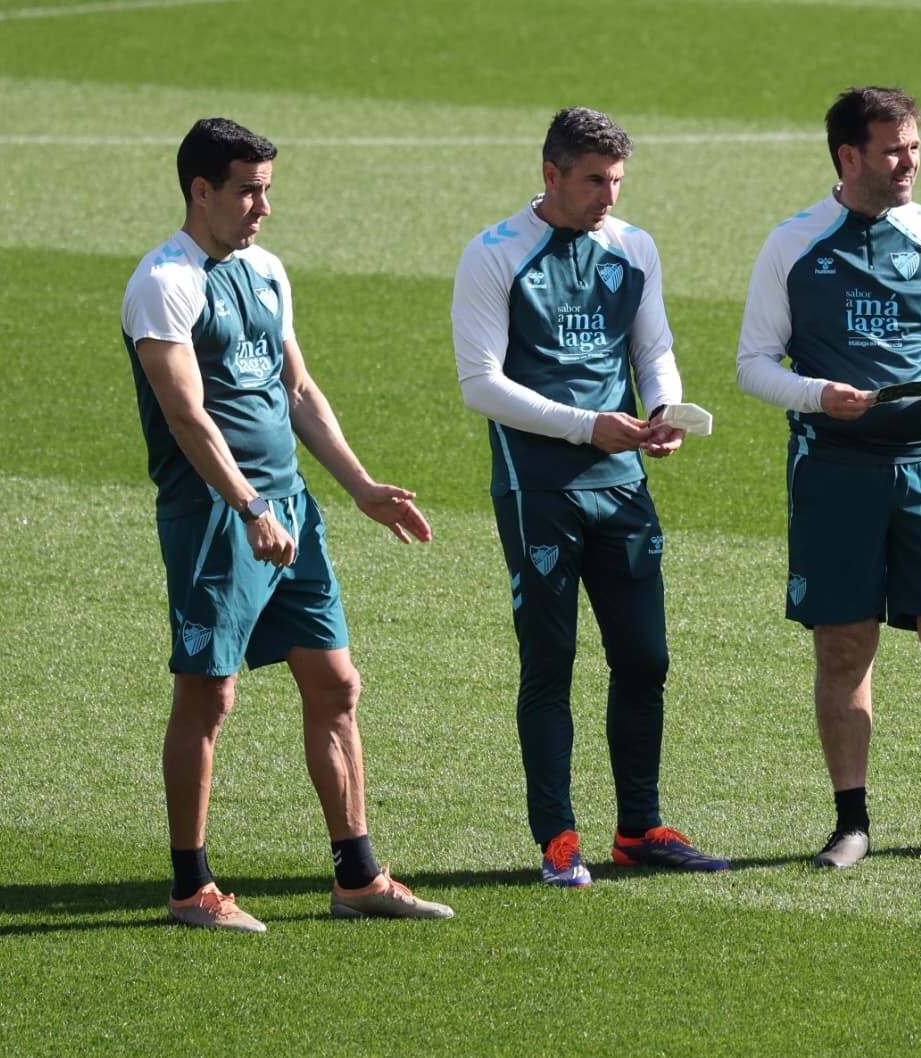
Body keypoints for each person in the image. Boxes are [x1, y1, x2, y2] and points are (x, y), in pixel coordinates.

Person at [121, 118, 453, 931]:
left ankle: (357, 876)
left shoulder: (266, 271)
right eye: (248, 190)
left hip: (288, 510)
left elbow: (298, 393)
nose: (263, 206)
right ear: (201, 191)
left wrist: (361, 485)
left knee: (337, 685)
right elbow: (186, 416)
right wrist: (248, 505)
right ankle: (190, 887)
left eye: (267, 188)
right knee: (210, 693)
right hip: (215, 515)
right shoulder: (163, 283)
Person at [451, 106, 726, 888]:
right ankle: (558, 837)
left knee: (646, 657)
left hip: (623, 483)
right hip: (539, 487)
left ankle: (639, 829)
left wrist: (664, 409)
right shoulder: (495, 254)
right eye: (595, 181)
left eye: (618, 181)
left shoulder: (633, 247)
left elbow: (653, 346)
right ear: (551, 175)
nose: (609, 196)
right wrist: (584, 427)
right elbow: (482, 384)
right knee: (552, 660)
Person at [735, 86, 921, 868]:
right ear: (849, 156)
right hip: (836, 472)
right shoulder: (793, 243)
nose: (909, 163)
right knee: (844, 648)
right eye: (893, 150)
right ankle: (851, 821)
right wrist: (818, 396)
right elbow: (754, 364)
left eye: (915, 147)